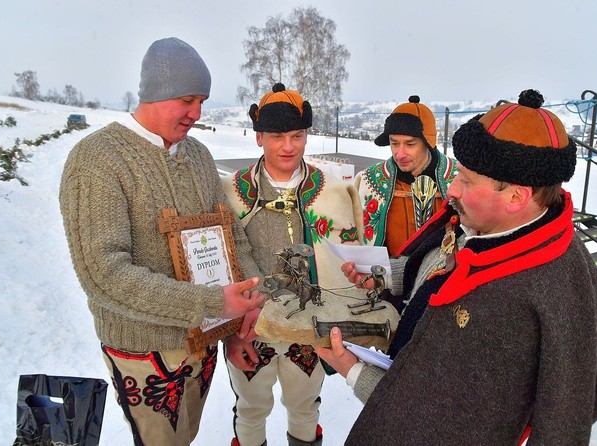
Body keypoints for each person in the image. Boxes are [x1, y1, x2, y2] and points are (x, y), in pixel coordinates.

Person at [318, 89, 597, 445]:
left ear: (516, 197)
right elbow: (438, 268)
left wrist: (353, 371)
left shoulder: (547, 288)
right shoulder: (476, 225)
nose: (452, 188)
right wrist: (384, 275)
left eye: (465, 179)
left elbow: (434, 420)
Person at [59, 37, 265, 446]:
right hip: (145, 354)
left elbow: (232, 237)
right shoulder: (98, 160)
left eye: (202, 100)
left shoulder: (200, 156)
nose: (197, 113)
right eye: (187, 99)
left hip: (202, 342)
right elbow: (104, 274)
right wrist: (214, 303)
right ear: (154, 93)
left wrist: (245, 311)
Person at [221, 83, 364, 446]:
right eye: (277, 136)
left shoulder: (333, 191)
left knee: (305, 409)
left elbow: (349, 265)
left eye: (297, 135)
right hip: (250, 331)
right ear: (259, 138)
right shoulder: (230, 192)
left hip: (310, 330)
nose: (289, 146)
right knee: (250, 409)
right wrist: (229, 333)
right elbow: (220, 268)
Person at [355, 95, 457, 256]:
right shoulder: (368, 181)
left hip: (445, 279)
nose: (400, 154)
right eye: (394, 143)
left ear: (428, 143)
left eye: (410, 144)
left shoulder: (460, 179)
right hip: (388, 278)